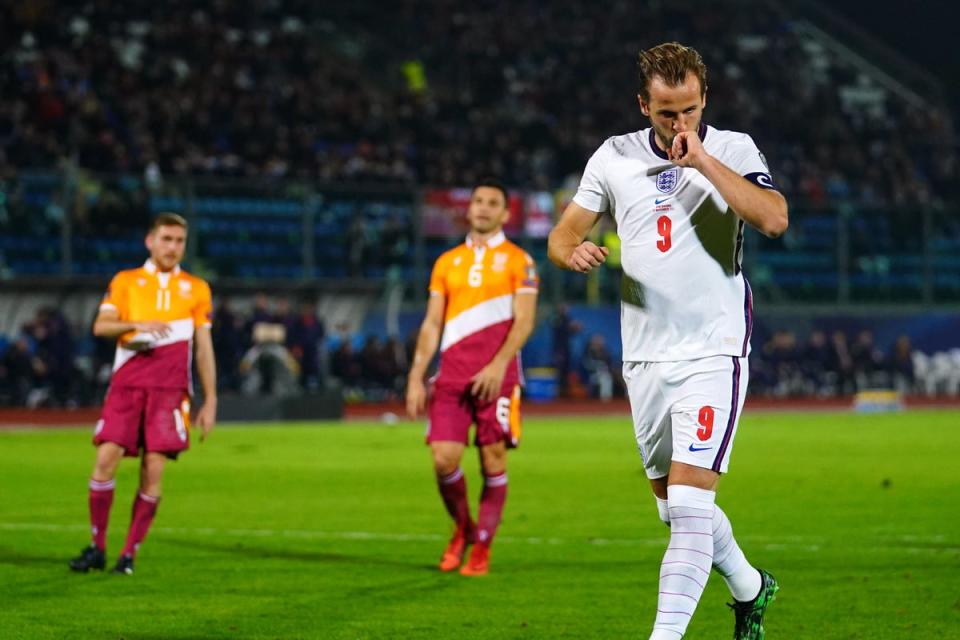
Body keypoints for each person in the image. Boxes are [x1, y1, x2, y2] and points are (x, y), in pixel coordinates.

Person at [547, 43, 788, 639]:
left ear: (704, 99)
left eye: (690, 110)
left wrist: (703, 160)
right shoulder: (614, 157)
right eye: (666, 114)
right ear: (642, 105)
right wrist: (569, 251)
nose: (680, 124)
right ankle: (752, 587)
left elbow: (774, 219)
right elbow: (562, 233)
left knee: (687, 506)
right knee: (670, 506)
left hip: (714, 347)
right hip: (645, 354)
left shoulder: (732, 148)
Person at [69, 213, 217, 576]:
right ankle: (96, 547)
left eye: (179, 241)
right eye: (166, 239)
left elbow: (203, 348)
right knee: (105, 459)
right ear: (150, 241)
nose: (173, 247)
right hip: (128, 383)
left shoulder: (197, 288)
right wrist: (137, 325)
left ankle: (128, 554)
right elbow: (101, 326)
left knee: (153, 469)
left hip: (170, 390)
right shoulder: (126, 281)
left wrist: (210, 399)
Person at [406, 178, 538, 576]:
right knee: (443, 459)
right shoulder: (446, 262)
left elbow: (525, 321)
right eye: (477, 201)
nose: (482, 207)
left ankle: (482, 546)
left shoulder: (520, 261)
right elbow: (432, 323)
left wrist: (498, 366)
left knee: (492, 460)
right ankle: (464, 528)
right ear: (469, 209)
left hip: (497, 378)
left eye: (492, 202)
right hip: (452, 376)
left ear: (504, 212)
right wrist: (415, 375)